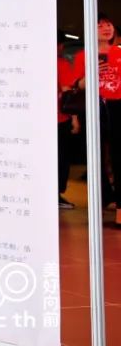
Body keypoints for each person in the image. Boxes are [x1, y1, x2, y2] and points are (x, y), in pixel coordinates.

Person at [76, 15, 121, 219]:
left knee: (118, 156)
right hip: (94, 107)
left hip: (118, 106)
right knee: (95, 156)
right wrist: (92, 73)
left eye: (108, 24)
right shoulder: (84, 55)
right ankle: (103, 198)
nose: (106, 27)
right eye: (100, 24)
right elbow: (78, 86)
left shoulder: (119, 52)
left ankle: (119, 206)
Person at [57, 33, 80, 210]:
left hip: (39, 121)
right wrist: (75, 118)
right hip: (60, 118)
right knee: (61, 158)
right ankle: (56, 194)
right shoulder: (62, 63)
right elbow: (67, 91)